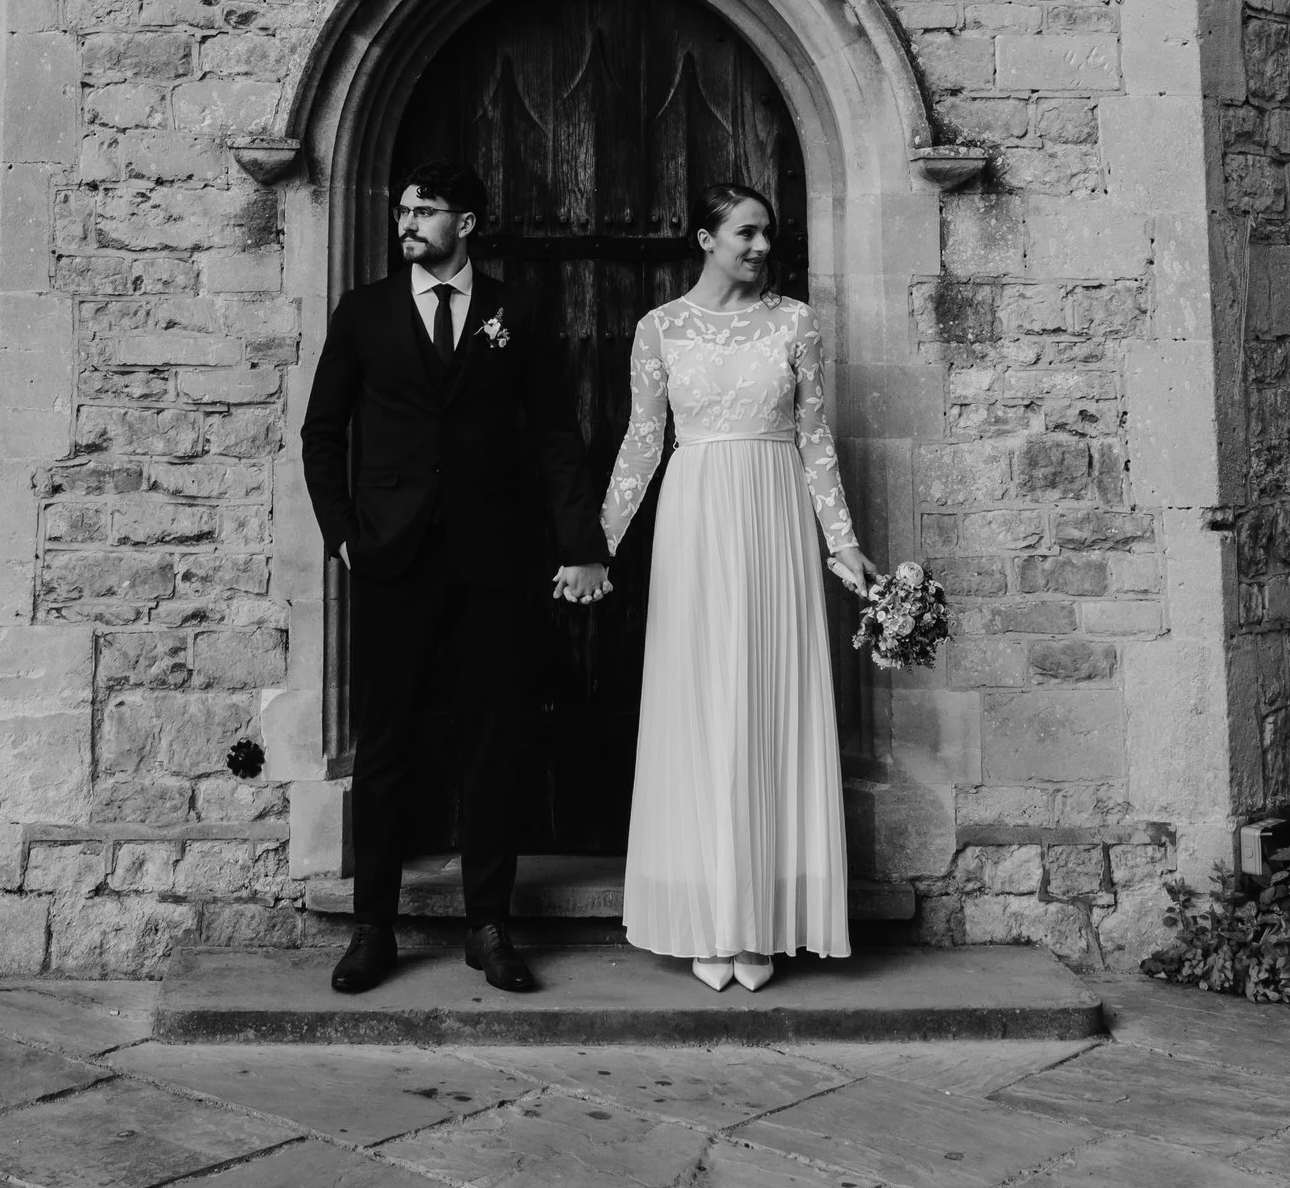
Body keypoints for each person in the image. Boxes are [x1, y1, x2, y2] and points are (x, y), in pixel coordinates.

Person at [300, 159, 599, 997]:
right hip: (390, 558)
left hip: (493, 559)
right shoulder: (363, 313)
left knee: (492, 743)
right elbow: (322, 433)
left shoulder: (514, 311)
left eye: (424, 210)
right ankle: (374, 927)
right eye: (402, 209)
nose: (407, 222)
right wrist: (343, 536)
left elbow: (554, 433)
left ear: (466, 222)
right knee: (386, 743)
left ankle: (488, 925)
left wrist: (580, 542)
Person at [577, 179, 875, 989]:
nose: (761, 247)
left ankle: (763, 923)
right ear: (704, 238)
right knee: (703, 703)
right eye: (745, 233)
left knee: (769, 701)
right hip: (698, 515)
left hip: (774, 515)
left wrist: (842, 545)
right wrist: (596, 544)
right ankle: (709, 913)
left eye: (767, 234)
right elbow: (642, 442)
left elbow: (816, 439)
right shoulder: (661, 328)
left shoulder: (795, 322)